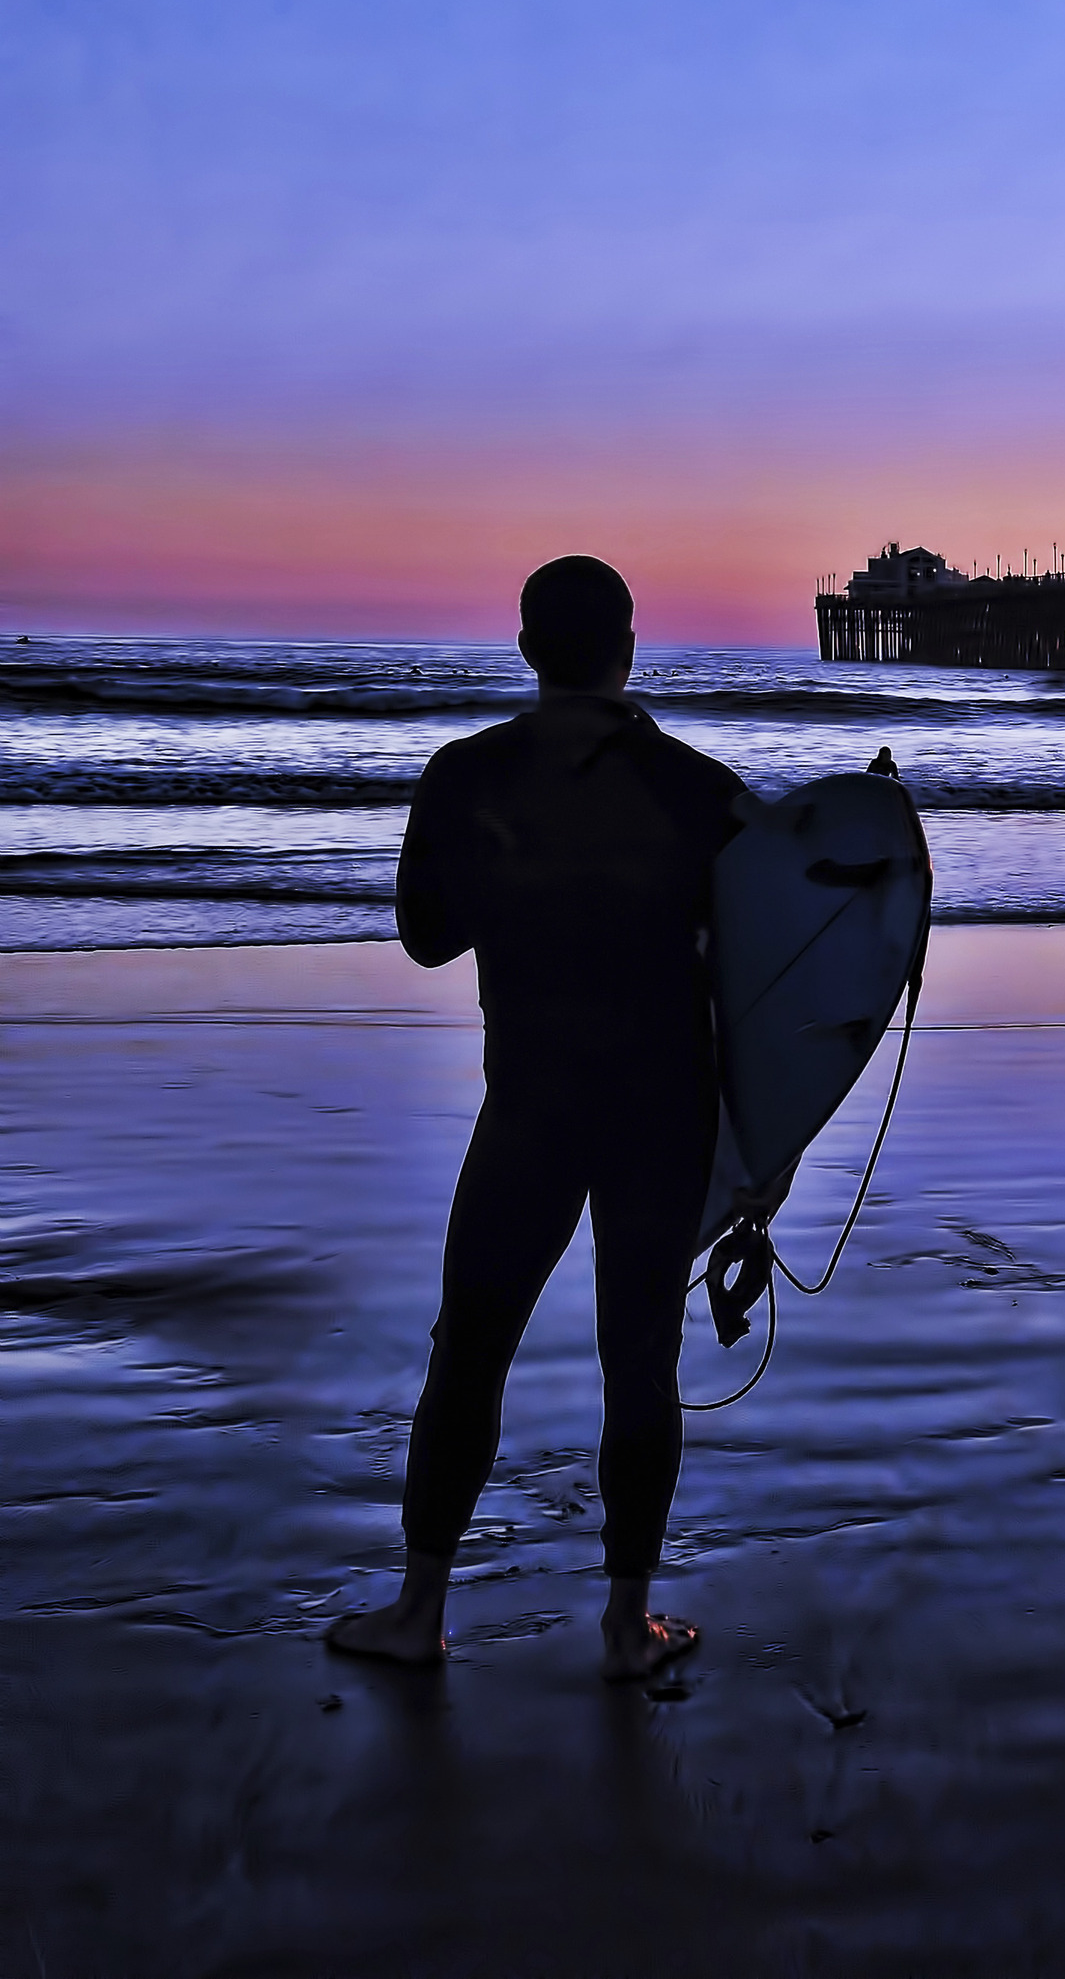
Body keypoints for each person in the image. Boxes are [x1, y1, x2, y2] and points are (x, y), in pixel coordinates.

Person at [326, 555, 746, 1682]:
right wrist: (764, 1151)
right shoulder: (702, 792)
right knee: (638, 1364)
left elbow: (424, 934)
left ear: (523, 647)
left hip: (531, 1102)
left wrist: (516, 871)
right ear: (630, 647)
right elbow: (767, 981)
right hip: (665, 1111)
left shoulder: (470, 775)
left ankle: (419, 1609)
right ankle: (624, 1625)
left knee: (469, 1347)